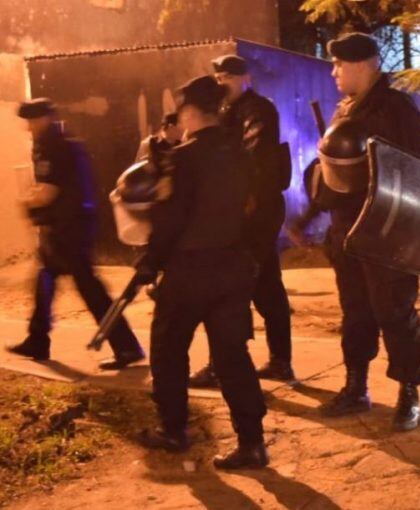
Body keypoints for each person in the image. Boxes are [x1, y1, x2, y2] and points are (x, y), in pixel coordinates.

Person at [137, 75, 269, 469]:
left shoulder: (185, 158)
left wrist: (150, 262)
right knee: (232, 357)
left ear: (191, 113)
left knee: (168, 348)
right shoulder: (241, 154)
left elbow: (171, 220)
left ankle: (173, 429)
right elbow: (256, 211)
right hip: (232, 267)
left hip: (189, 270)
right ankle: (252, 443)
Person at [317, 32, 420, 431]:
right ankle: (356, 387)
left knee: (395, 312)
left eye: (339, 65)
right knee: (356, 312)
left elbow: (417, 171)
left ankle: (409, 393)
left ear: (363, 65)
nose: (333, 72)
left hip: (386, 232)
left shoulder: (397, 109)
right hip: (347, 231)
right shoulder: (344, 110)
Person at [6, 99, 145, 370]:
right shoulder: (62, 143)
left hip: (68, 230)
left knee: (88, 288)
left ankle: (126, 347)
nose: (29, 128)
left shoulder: (53, 146)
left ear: (44, 119)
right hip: (68, 227)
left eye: (32, 121)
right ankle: (38, 338)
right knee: (46, 280)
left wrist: (26, 203)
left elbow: (48, 191)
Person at [189, 54, 295, 387]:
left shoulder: (257, 110)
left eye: (228, 78)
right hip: (240, 211)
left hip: (254, 211)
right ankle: (279, 360)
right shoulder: (224, 112)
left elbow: (255, 156)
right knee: (265, 287)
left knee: (232, 289)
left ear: (246, 78)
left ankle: (226, 365)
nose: (222, 83)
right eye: (218, 77)